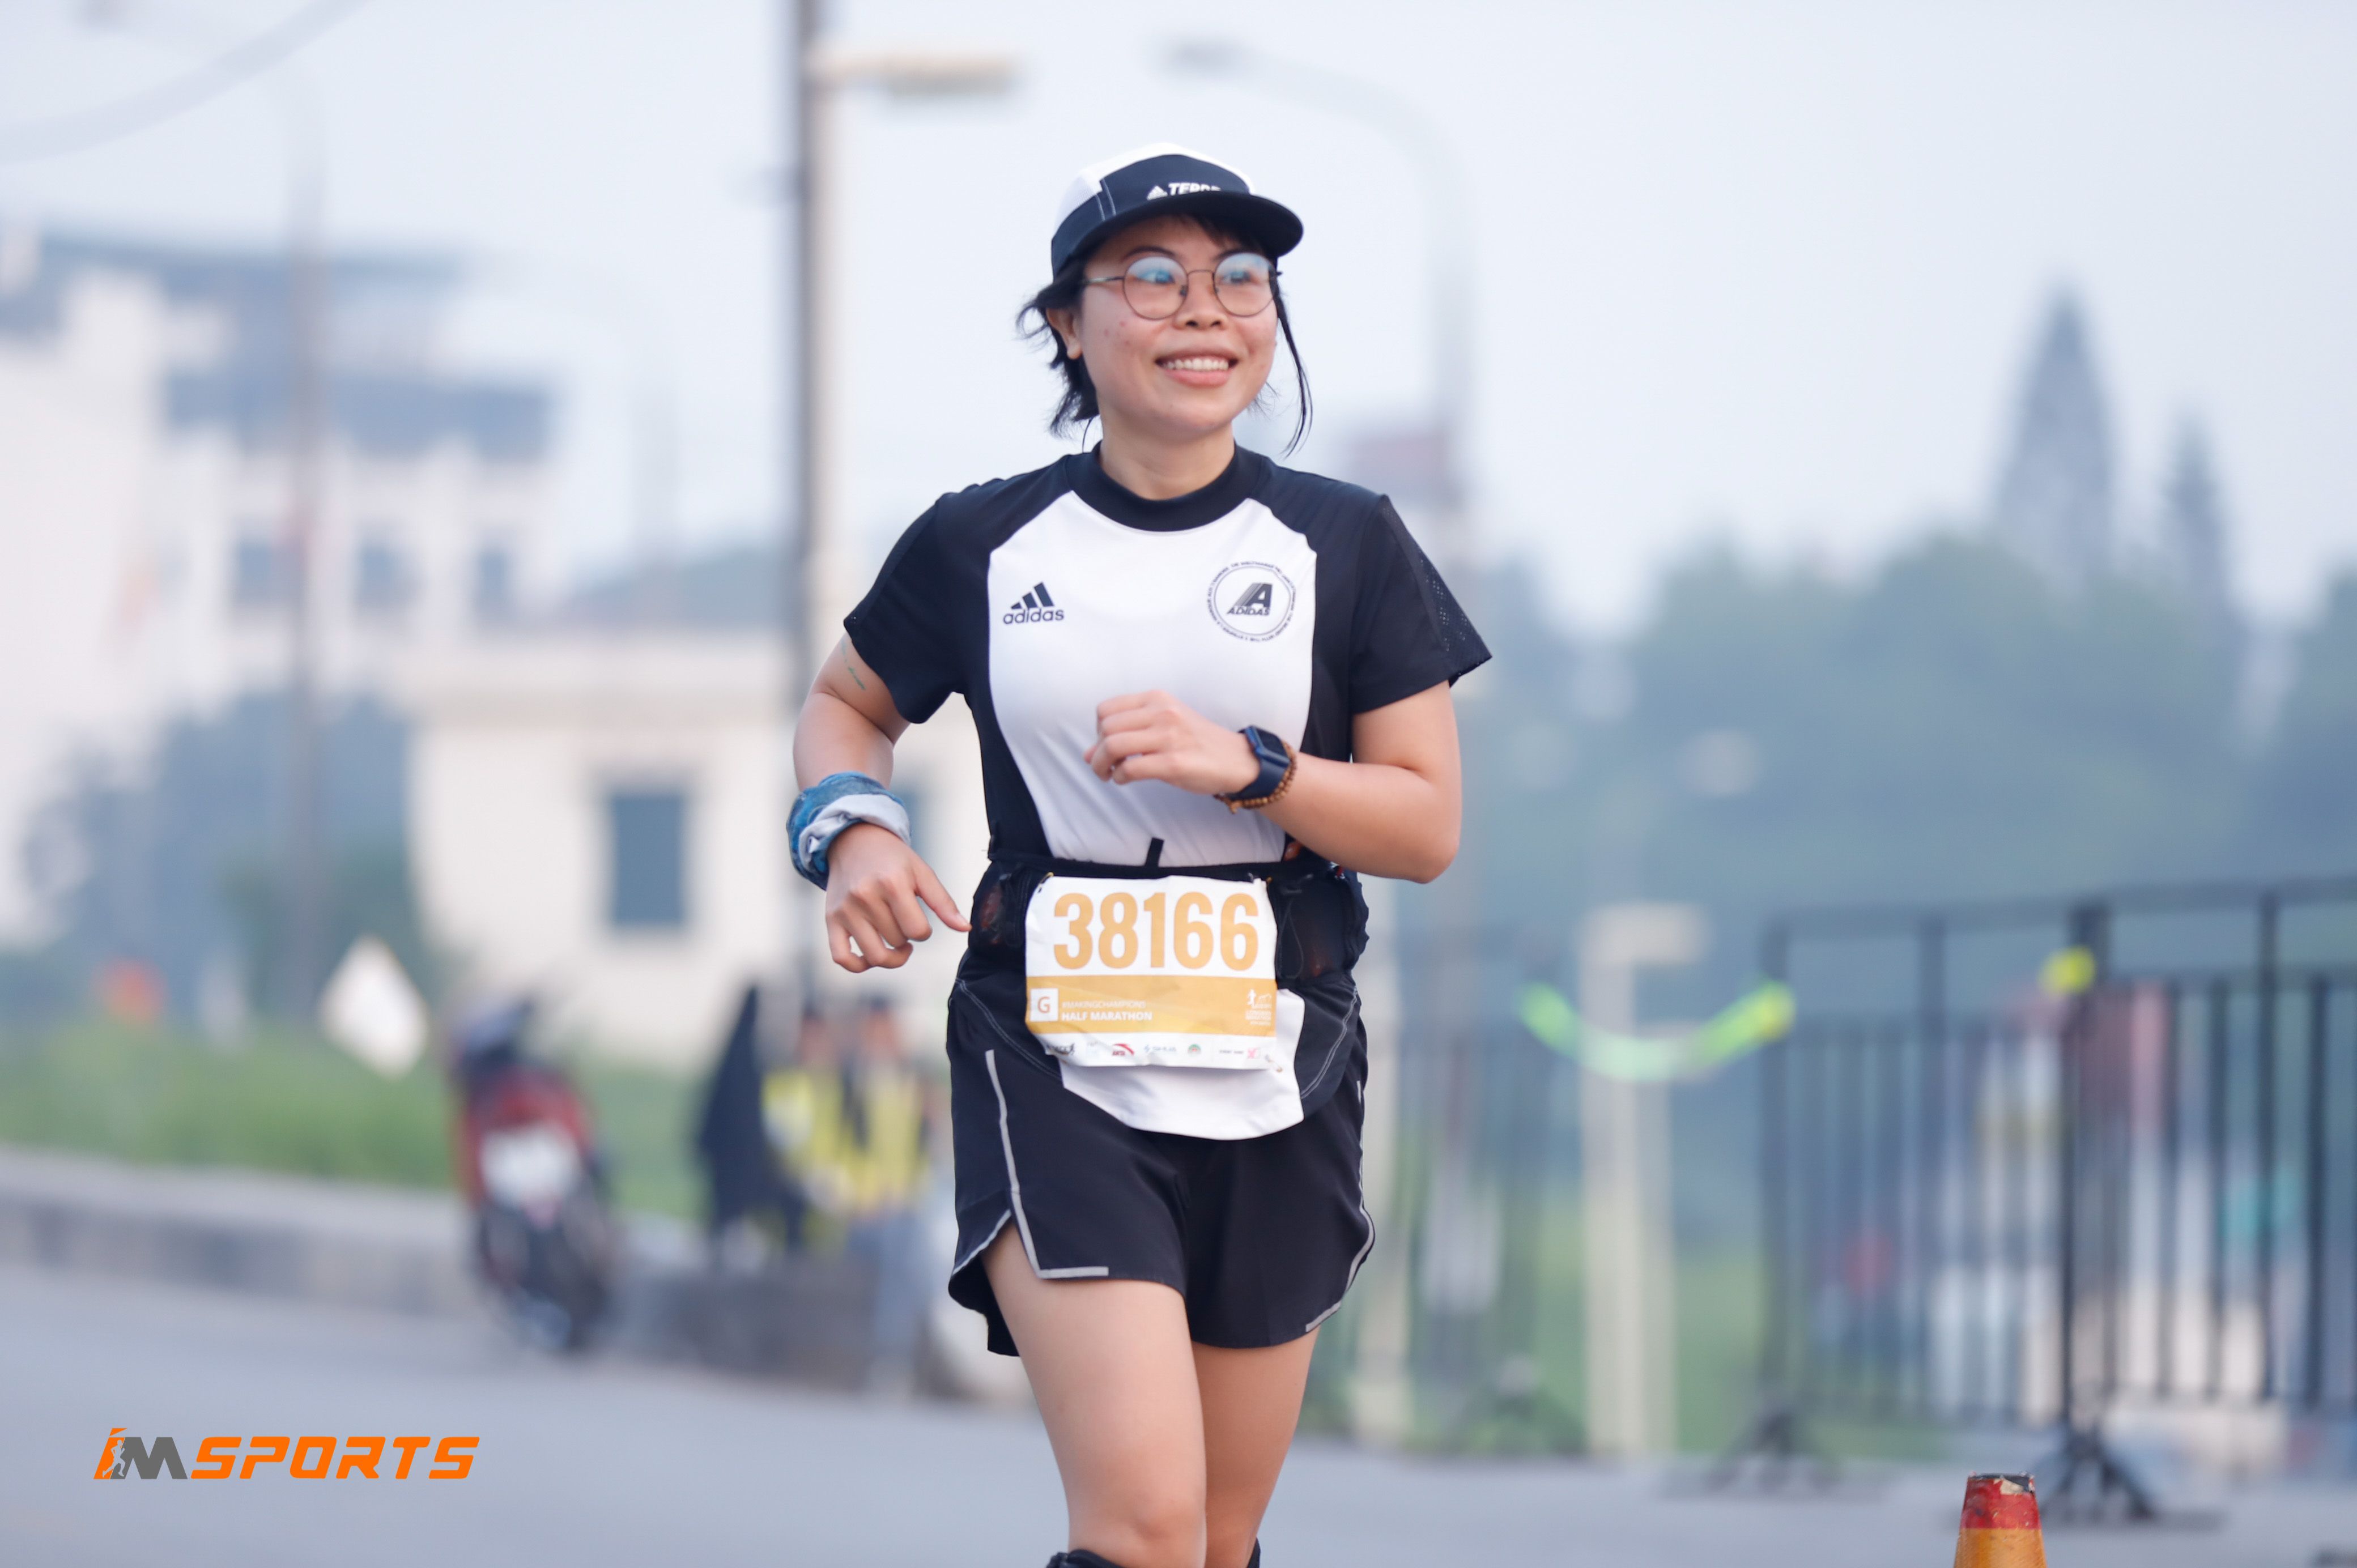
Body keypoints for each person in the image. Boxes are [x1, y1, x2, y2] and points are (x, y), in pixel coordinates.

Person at [789, 144, 1486, 1568]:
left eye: (1242, 277)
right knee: (1148, 1529)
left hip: (1281, 1050)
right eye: (1153, 276)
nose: (1205, 309)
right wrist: (850, 829)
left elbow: (1425, 827)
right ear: (1066, 321)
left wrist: (1255, 766)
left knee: (1217, 1542)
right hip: (1051, 1050)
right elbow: (845, 704)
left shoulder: (1346, 541)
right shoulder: (982, 541)